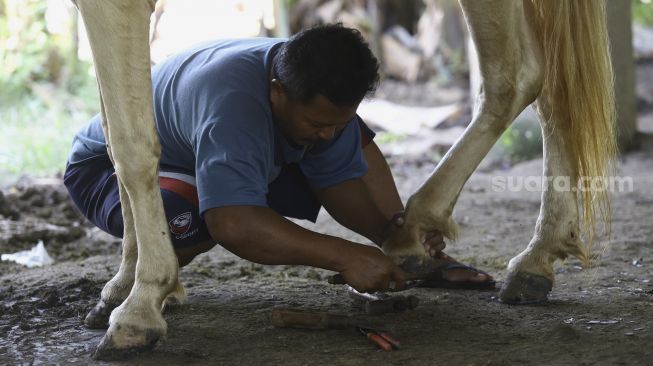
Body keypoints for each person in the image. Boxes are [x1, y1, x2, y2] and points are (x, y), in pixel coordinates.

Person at [64, 24, 492, 293]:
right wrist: (345, 256)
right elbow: (232, 224)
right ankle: (153, 277)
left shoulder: (313, 80)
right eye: (317, 121)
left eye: (334, 123)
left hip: (209, 153)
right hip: (114, 170)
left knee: (347, 137)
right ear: (276, 91)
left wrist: (399, 240)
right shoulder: (234, 107)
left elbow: (339, 179)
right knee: (195, 221)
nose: (327, 132)